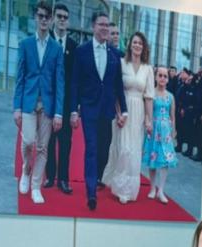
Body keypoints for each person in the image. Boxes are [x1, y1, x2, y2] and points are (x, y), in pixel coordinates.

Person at [71, 11, 126, 211]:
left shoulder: (114, 54)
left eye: (107, 25)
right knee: (92, 148)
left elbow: (118, 84)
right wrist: (73, 110)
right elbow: (75, 82)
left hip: (107, 109)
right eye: (101, 24)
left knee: (104, 148)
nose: (105, 28)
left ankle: (98, 177)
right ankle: (91, 191)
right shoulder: (82, 51)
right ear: (93, 26)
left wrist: (125, 110)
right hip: (88, 108)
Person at [13, 1, 64, 206]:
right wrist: (16, 107)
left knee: (43, 148)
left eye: (47, 17)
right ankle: (26, 168)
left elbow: (60, 82)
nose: (44, 20)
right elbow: (20, 77)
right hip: (28, 102)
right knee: (28, 142)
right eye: (40, 16)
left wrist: (59, 112)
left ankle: (35, 186)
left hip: (49, 105)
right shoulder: (25, 45)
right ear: (36, 18)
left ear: (51, 20)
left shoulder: (56, 48)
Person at [105, 32, 153, 204]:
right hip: (123, 111)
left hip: (138, 112)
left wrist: (149, 120)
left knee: (133, 150)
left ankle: (129, 190)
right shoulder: (122, 64)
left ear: (143, 46)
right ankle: (119, 188)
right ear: (130, 45)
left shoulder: (148, 69)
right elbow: (116, 90)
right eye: (135, 42)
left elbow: (148, 97)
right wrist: (119, 113)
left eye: (140, 43)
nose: (137, 45)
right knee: (123, 148)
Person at [44, 3, 78, 195]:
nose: (62, 19)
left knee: (65, 143)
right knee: (48, 141)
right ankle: (50, 176)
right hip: (48, 102)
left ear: (68, 20)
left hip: (66, 105)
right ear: (53, 18)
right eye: (59, 16)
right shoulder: (45, 41)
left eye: (65, 17)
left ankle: (63, 180)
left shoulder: (74, 47)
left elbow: (75, 82)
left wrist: (75, 109)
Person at [141, 65, 178, 204]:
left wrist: (173, 131)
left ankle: (161, 190)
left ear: (168, 79)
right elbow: (146, 112)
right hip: (153, 129)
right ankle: (152, 188)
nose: (162, 78)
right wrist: (147, 123)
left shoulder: (170, 97)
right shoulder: (151, 94)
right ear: (156, 77)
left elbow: (172, 116)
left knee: (165, 160)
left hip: (166, 131)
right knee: (153, 158)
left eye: (165, 76)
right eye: (160, 75)